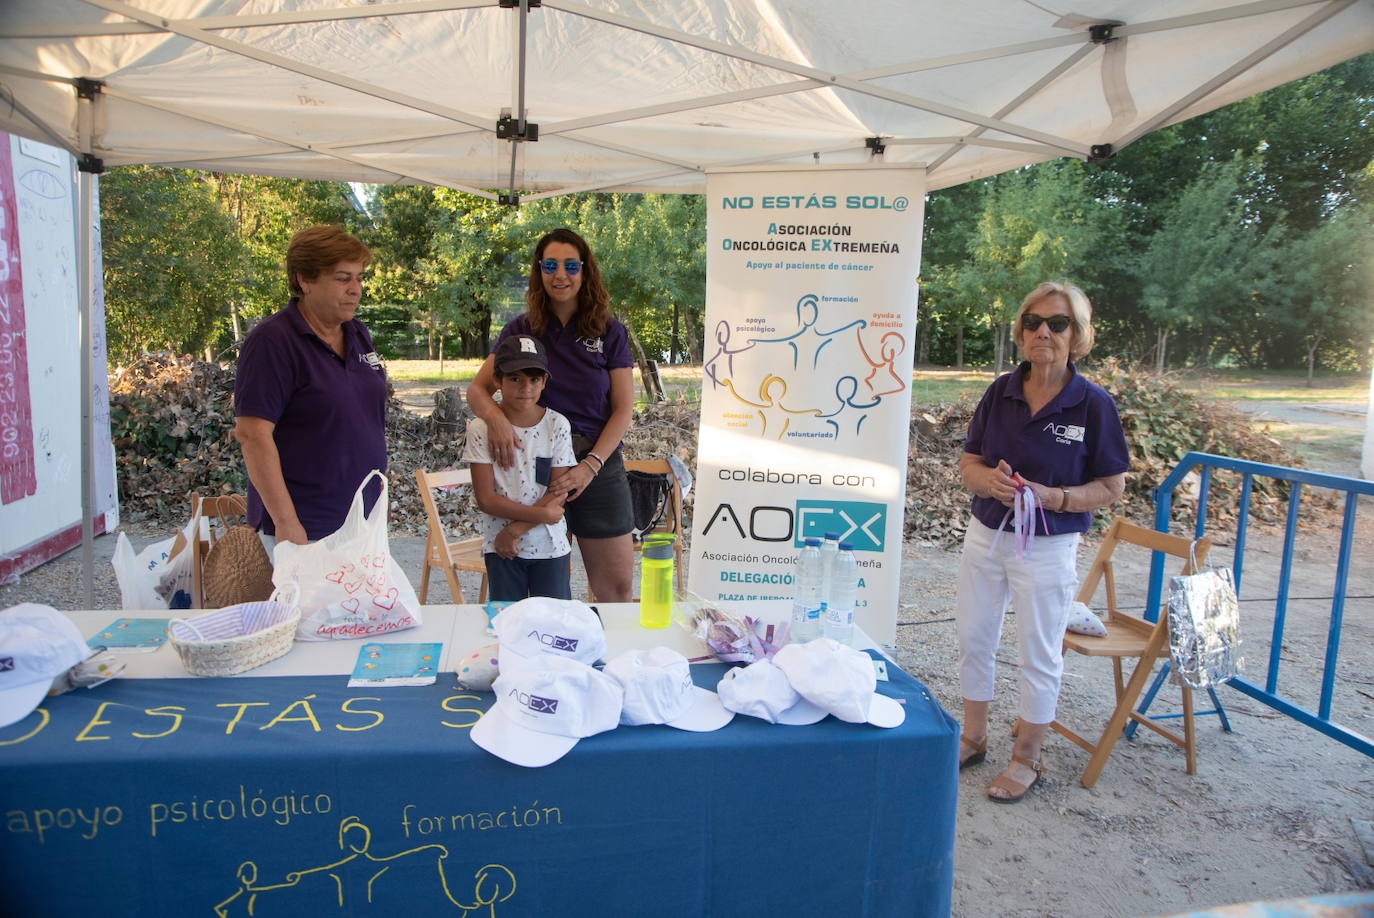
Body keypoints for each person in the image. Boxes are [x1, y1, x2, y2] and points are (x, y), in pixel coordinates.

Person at [955, 281, 1129, 803]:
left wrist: (1056, 497)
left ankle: (1028, 756)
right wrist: (986, 481)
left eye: (1058, 323)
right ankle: (974, 737)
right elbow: (969, 461)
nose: (1043, 333)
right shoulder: (1002, 389)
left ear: (1077, 335)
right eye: (1033, 322)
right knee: (974, 639)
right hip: (987, 533)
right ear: (1021, 332)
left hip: (1049, 543)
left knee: (1039, 651)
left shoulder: (1092, 403)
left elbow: (1111, 487)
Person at [466, 228, 636, 601]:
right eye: (551, 265)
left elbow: (624, 408)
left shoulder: (610, 331)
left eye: (571, 265)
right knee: (542, 592)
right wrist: (495, 420)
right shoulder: (521, 329)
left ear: (585, 271)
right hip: (533, 466)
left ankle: (606, 658)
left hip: (596, 461)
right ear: (538, 271)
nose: (561, 274)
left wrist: (589, 466)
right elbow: (478, 389)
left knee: (617, 590)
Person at [234, 224, 386, 546]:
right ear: (305, 279)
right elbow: (252, 435)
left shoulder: (357, 333)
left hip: (361, 518)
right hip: (305, 525)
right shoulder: (273, 341)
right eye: (343, 278)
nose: (355, 289)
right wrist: (287, 523)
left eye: (359, 277)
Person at [463, 335, 578, 601]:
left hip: (549, 546)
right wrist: (536, 517)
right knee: (508, 624)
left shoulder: (557, 425)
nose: (525, 387)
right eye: (515, 378)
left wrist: (514, 529)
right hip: (502, 548)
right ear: (497, 380)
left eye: (534, 379)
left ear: (544, 381)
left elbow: (558, 491)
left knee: (553, 622)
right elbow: (486, 498)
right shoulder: (480, 429)